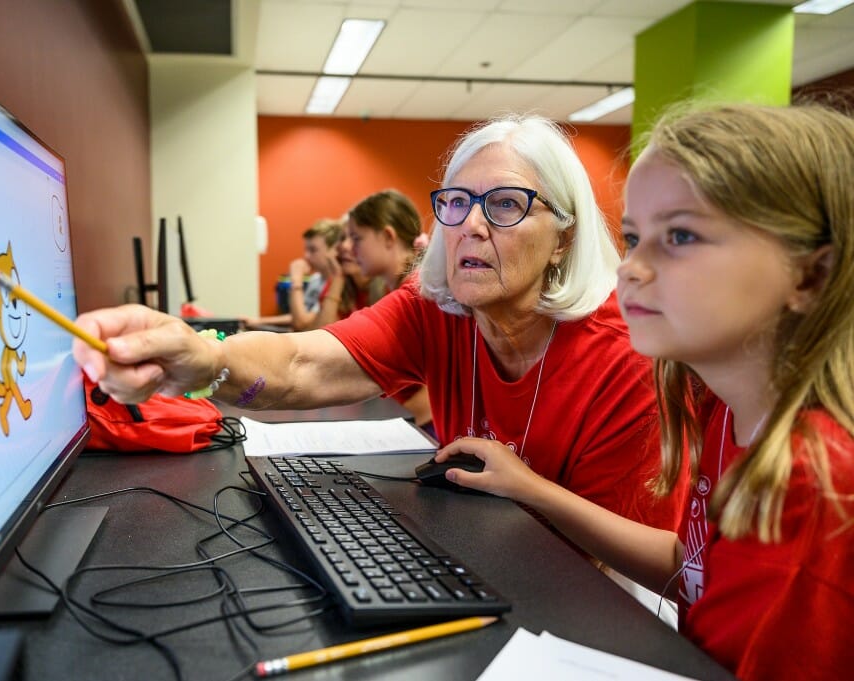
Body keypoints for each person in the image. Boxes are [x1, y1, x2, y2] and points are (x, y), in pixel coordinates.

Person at [72, 113, 686, 537]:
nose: (471, 224)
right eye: (456, 203)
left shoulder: (622, 356)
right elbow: (301, 364)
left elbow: (616, 565)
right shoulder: (435, 307)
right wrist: (202, 358)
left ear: (563, 239)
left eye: (505, 204)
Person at [435, 103, 854, 680]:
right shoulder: (726, 410)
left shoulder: (816, 486)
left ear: (808, 276)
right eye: (634, 237)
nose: (631, 268)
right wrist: (532, 489)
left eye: (679, 235)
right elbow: (695, 570)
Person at [344, 189, 434, 431]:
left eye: (357, 238)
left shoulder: (417, 294)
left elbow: (433, 400)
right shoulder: (405, 288)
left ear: (387, 236)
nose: (351, 250)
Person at [242, 218, 344, 331]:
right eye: (306, 250)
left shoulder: (339, 285)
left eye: (313, 250)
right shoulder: (316, 280)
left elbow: (301, 322)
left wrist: (296, 279)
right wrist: (259, 321)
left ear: (334, 250)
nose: (306, 256)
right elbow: (299, 315)